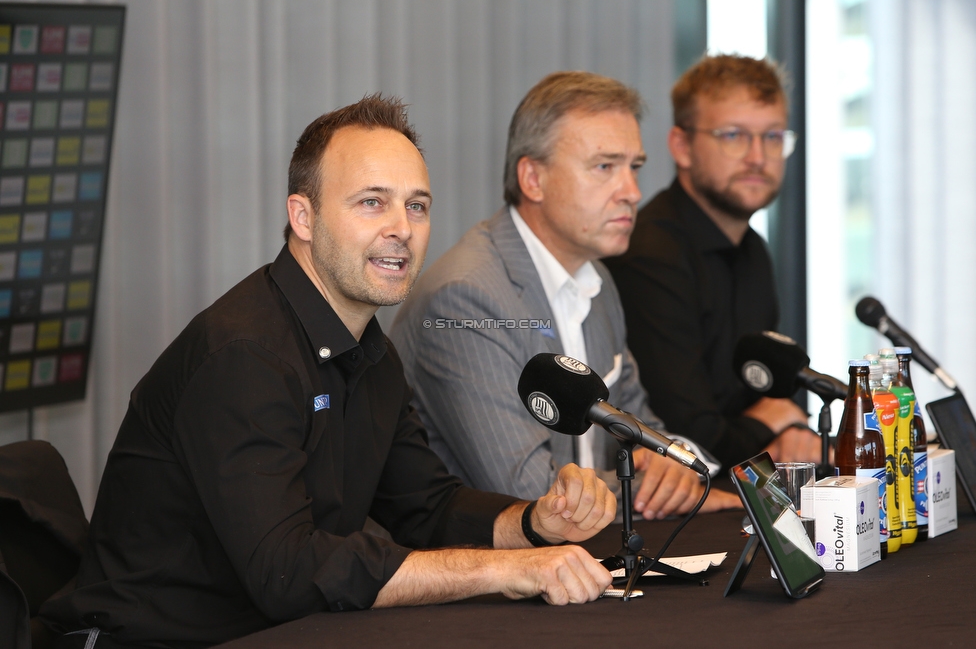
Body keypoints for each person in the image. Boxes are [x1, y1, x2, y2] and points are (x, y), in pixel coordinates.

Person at [40, 96, 618, 649]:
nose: (402, 228)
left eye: (417, 205)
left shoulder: (369, 348)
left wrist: (535, 524)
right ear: (303, 217)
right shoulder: (246, 354)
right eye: (372, 202)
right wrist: (508, 570)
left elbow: (428, 508)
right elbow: (287, 573)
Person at [391, 71, 740, 522]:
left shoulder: (595, 279)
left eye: (634, 167)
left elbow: (639, 422)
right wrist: (654, 488)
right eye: (604, 167)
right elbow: (528, 491)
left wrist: (676, 465)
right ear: (533, 179)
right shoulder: (466, 298)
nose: (632, 192)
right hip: (487, 576)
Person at [603, 54, 821, 471]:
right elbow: (687, 437)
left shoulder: (752, 249)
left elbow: (769, 391)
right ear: (682, 147)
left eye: (773, 136)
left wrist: (787, 429)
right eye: (734, 135)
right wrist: (770, 425)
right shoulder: (650, 255)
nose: (758, 156)